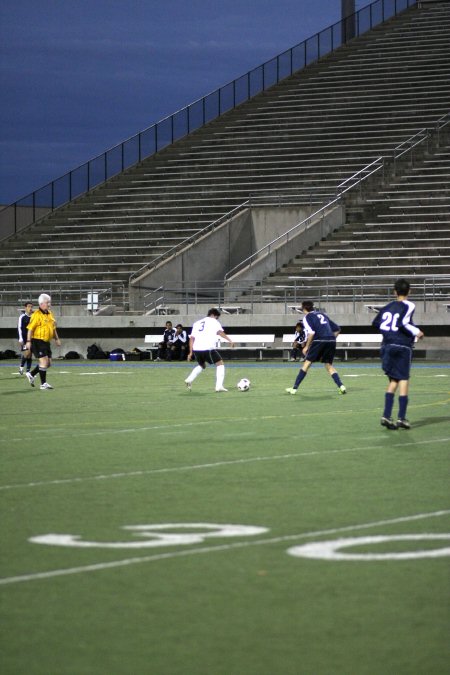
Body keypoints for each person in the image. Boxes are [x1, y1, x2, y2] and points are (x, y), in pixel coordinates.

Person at [372, 279, 424, 430]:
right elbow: (403, 323)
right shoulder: (409, 305)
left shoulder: (387, 307)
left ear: (394, 291)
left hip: (386, 346)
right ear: (409, 291)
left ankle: (386, 415)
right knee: (404, 379)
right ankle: (401, 417)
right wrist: (417, 332)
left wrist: (389, 333)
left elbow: (376, 323)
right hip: (402, 346)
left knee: (393, 380)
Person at [286, 300, 346, 395]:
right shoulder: (322, 315)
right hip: (331, 340)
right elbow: (337, 329)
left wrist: (306, 346)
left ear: (303, 308)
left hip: (319, 340)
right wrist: (331, 339)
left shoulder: (307, 317)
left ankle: (294, 388)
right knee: (329, 365)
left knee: (307, 364)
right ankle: (341, 386)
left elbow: (312, 333)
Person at [185, 308, 235, 392]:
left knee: (202, 365)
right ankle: (219, 386)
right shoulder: (214, 322)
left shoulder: (197, 323)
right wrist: (230, 340)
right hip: (207, 348)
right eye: (217, 317)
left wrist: (190, 352)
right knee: (220, 364)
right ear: (213, 315)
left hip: (197, 349)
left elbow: (192, 338)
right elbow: (219, 332)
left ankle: (189, 379)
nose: (217, 319)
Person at [24, 293, 61, 390]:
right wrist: (28, 341)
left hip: (46, 342)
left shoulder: (50, 313)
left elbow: (53, 328)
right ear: (41, 304)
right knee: (44, 362)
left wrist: (56, 339)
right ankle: (43, 384)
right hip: (37, 341)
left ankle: (31, 374)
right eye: (47, 302)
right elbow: (30, 329)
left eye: (49, 302)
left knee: (48, 363)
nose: (49, 304)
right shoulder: (36, 315)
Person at [17, 301, 33, 375]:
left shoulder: (33, 317)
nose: (30, 308)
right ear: (25, 308)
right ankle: (21, 367)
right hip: (24, 338)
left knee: (30, 355)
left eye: (31, 306)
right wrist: (20, 339)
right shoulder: (22, 317)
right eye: (29, 306)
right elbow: (19, 328)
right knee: (27, 354)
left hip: (31, 338)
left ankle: (28, 371)